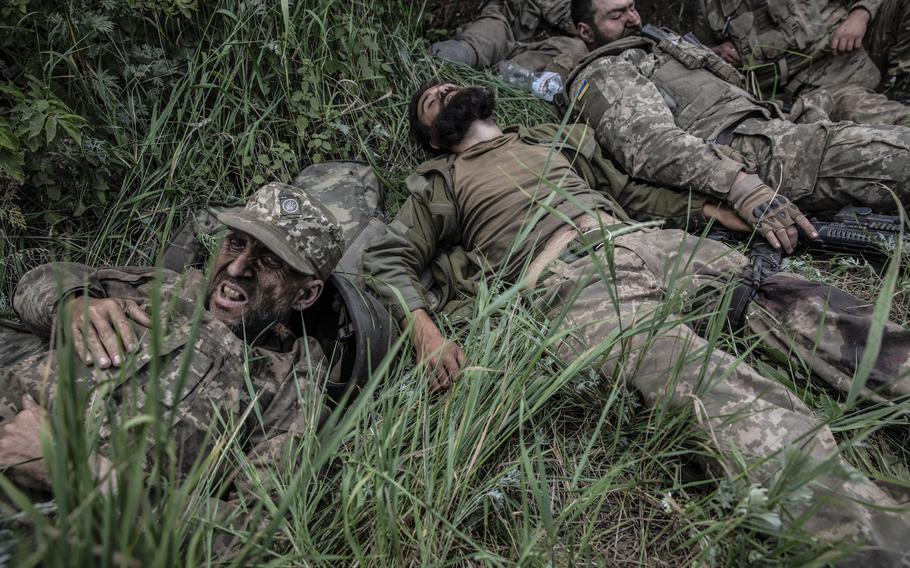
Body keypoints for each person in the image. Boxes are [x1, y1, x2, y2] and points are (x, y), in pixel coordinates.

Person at [363, 81, 910, 564]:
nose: (446, 91)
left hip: (653, 240)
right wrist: (426, 333)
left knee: (815, 309)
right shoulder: (440, 178)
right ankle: (878, 540)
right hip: (574, 277)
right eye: (432, 100)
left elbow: (628, 194)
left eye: (449, 85)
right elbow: (390, 259)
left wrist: (710, 212)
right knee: (701, 385)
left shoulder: (553, 138)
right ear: (434, 138)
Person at [0, 182, 347, 491]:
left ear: (305, 295)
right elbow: (38, 284)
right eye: (236, 243)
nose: (237, 267)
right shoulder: (166, 289)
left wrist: (76, 472)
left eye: (270, 261)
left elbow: (247, 530)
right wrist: (73, 303)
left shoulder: (290, 389)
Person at [563, 0, 910, 256]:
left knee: (853, 102)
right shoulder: (604, 70)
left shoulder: (655, 48)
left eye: (632, 8)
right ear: (585, 31)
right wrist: (741, 186)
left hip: (776, 124)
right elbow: (652, 145)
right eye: (616, 15)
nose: (632, 18)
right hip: (756, 153)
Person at [697, 0, 910, 122]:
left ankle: (902, 90)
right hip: (814, 87)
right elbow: (696, 49)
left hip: (861, 45)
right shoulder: (709, 5)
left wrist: (861, 13)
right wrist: (714, 52)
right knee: (859, 110)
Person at [429, 0, 588, 79]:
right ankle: (431, 64)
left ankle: (493, 80)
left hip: (547, 49)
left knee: (575, 51)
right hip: (507, 23)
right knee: (464, 51)